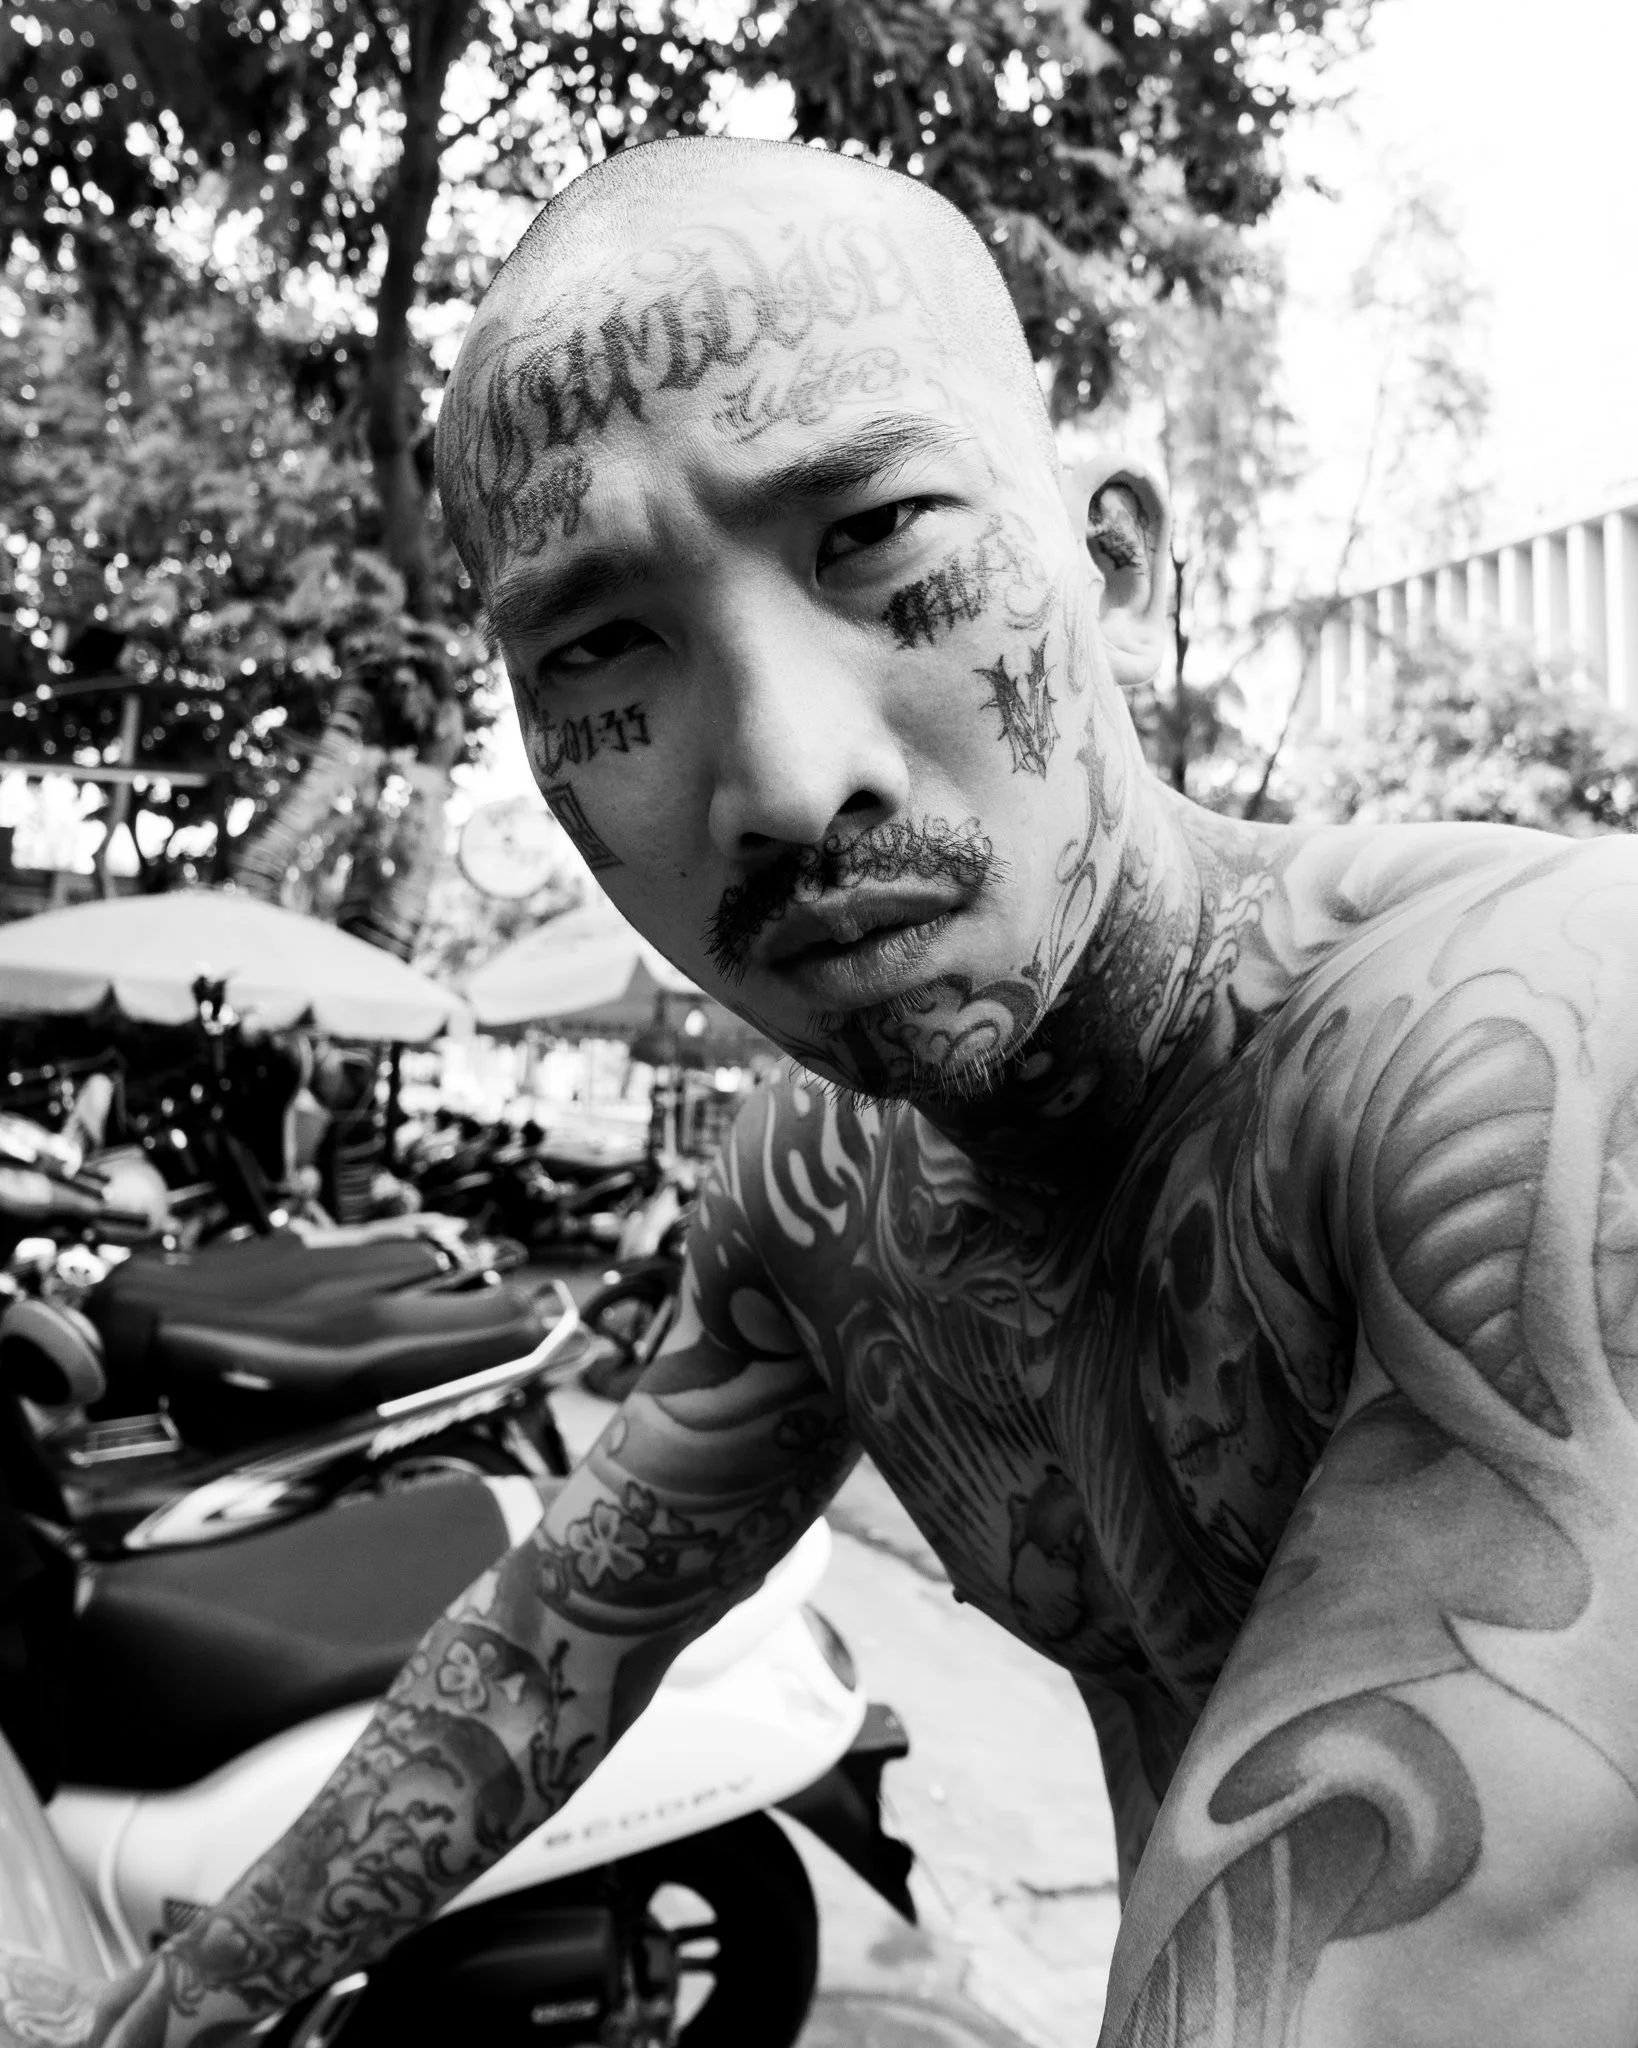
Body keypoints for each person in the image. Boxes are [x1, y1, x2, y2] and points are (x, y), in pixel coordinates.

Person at [11, 133, 1638, 2047]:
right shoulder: (815, 1194)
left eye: (875, 537)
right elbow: (540, 1663)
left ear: (1107, 561)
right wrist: (178, 2009)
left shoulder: (1527, 1051)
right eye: (605, 645)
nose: (783, 779)